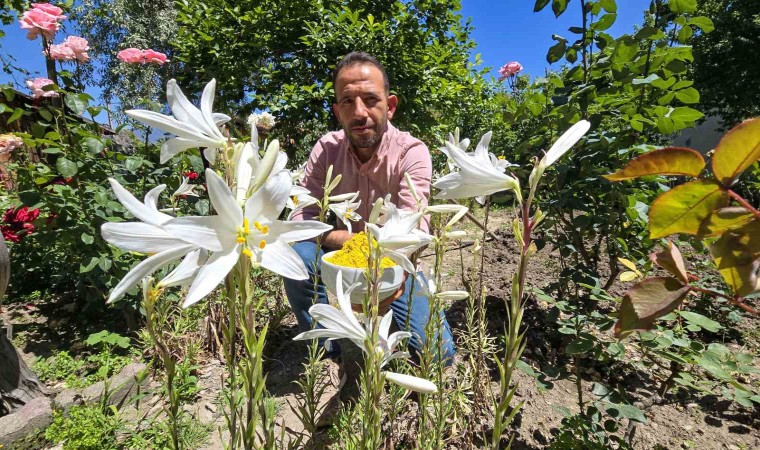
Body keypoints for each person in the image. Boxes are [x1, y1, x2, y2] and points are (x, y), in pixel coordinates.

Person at [285, 52, 455, 365]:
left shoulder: (411, 152)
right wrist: (351, 243)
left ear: (389, 106)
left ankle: (388, 326)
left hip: (393, 264)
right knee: (296, 256)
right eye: (347, 101)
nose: (359, 112)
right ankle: (326, 347)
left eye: (370, 99)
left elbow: (415, 227)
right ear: (337, 111)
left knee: (439, 354)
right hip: (338, 258)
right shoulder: (326, 149)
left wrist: (393, 279)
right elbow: (302, 219)